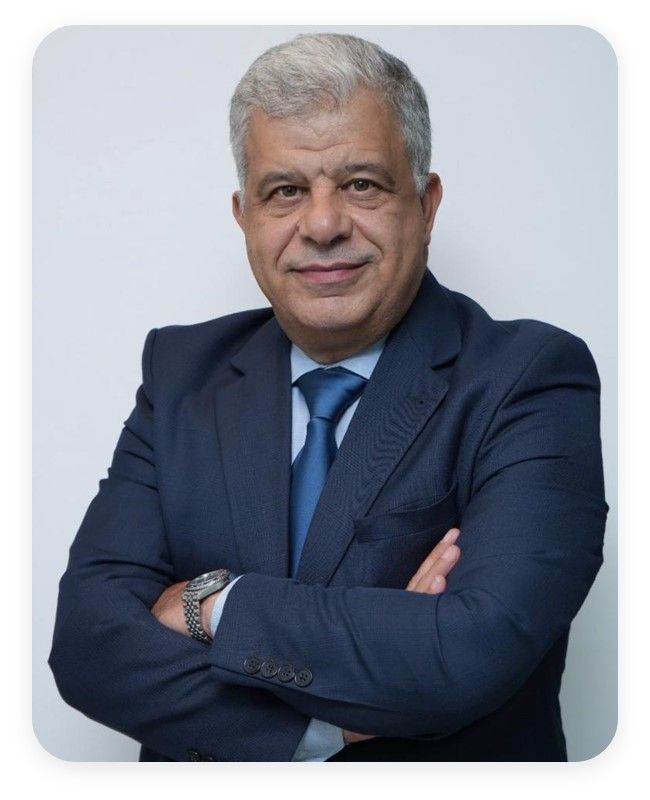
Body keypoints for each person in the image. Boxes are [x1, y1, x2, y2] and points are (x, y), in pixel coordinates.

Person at [49, 32, 608, 762]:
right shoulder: (182, 372)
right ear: (243, 214)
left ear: (426, 203)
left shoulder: (529, 377)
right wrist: (322, 726)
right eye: (285, 191)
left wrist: (213, 604)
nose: (321, 224)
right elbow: (88, 644)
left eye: (362, 184)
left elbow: (472, 651)